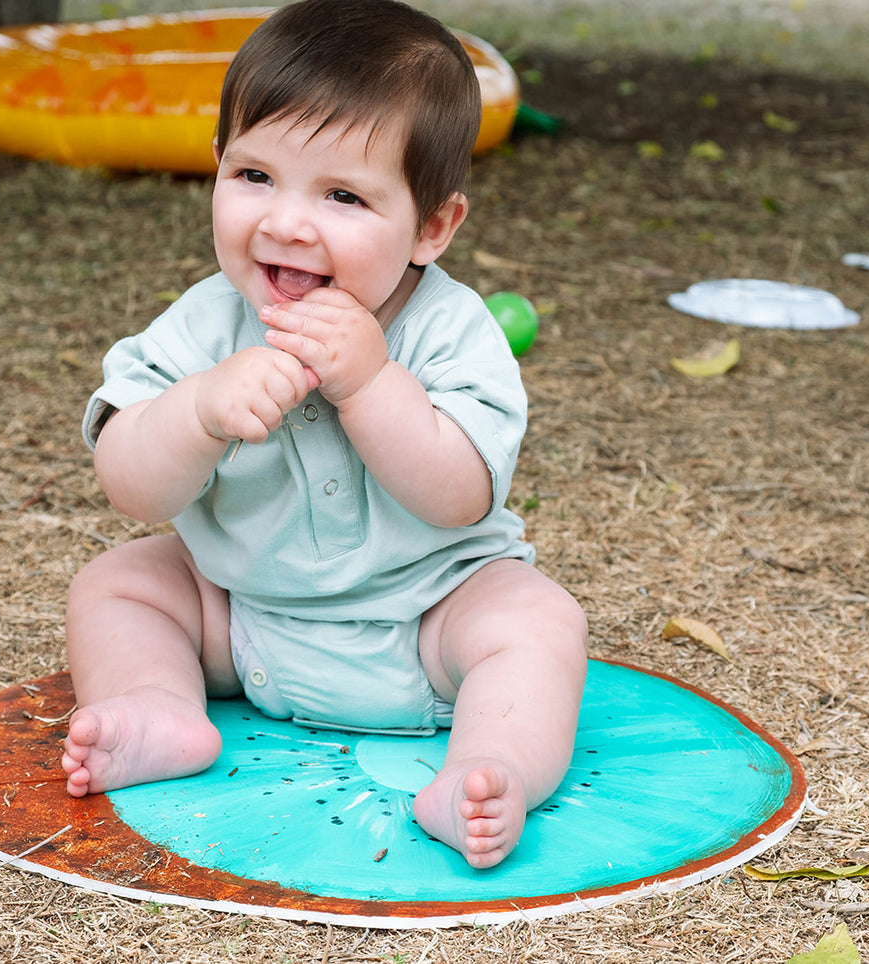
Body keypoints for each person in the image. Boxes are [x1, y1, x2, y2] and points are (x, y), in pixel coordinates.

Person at [60, 0, 587, 870]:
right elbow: (129, 484)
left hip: (427, 623)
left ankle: (490, 769)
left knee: (536, 620)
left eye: (343, 195)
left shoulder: (451, 333)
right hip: (243, 620)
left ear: (431, 227)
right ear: (216, 168)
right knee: (118, 583)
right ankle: (157, 708)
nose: (286, 222)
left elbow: (458, 497)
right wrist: (194, 413)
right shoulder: (204, 323)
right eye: (254, 177)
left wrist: (372, 384)